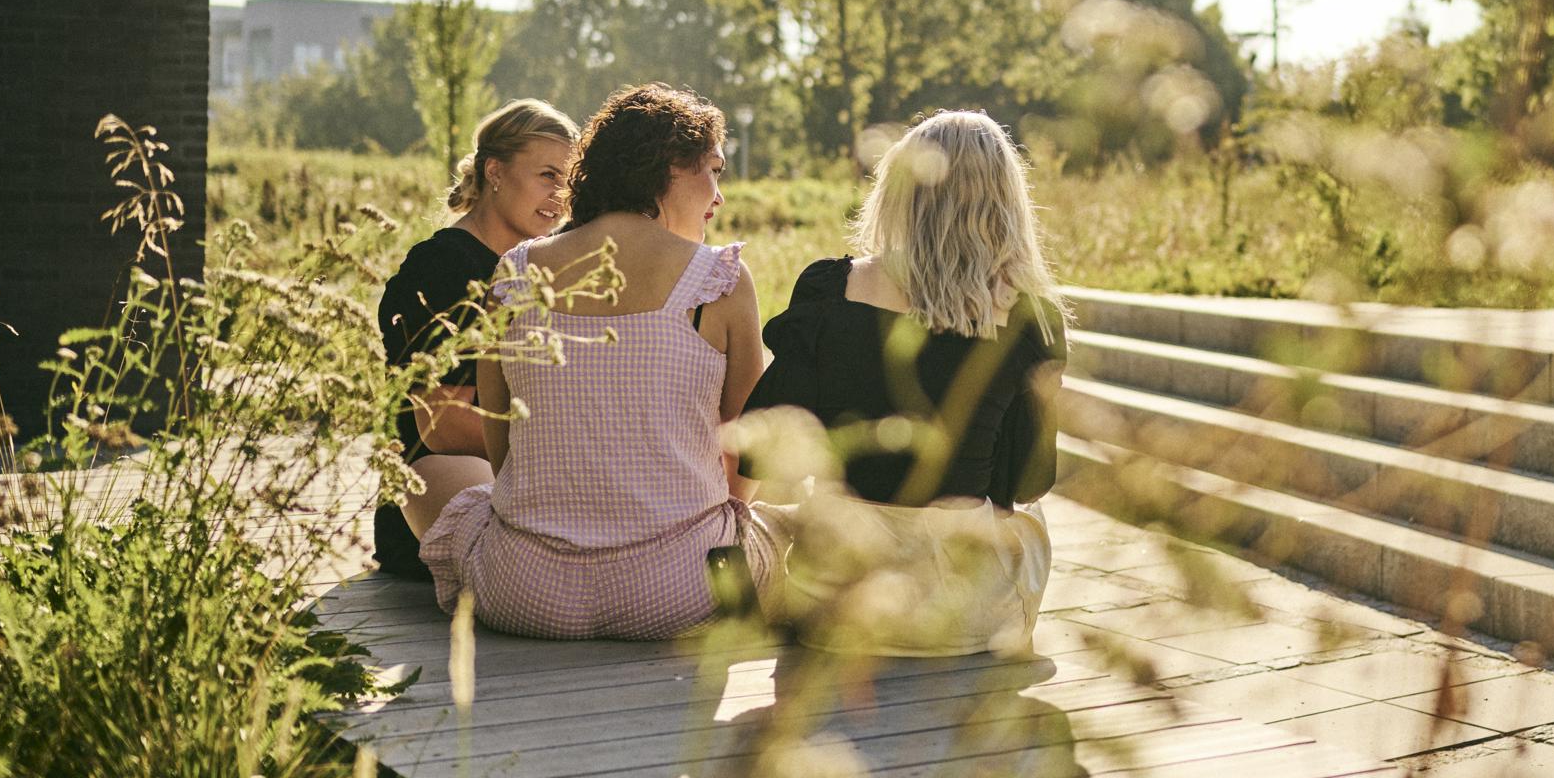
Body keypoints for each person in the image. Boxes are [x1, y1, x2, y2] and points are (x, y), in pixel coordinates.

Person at [410, 82, 772, 640]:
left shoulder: (515, 269)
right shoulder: (718, 279)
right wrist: (726, 520)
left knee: (435, 476)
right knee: (797, 519)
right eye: (714, 171)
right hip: (681, 596)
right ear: (671, 167)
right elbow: (752, 438)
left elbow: (503, 450)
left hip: (524, 591)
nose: (718, 196)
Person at [740, 109, 1068, 657]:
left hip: (835, 602)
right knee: (1029, 520)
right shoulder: (1030, 320)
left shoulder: (830, 290)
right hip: (962, 619)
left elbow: (760, 454)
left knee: (779, 519)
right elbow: (1025, 483)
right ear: (1007, 204)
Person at [373, 98, 578, 581]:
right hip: (437, 512)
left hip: (527, 487)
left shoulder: (538, 269)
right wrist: (566, 447)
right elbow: (442, 425)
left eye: (569, 182)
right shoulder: (442, 265)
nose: (560, 195)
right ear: (496, 172)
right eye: (548, 175)